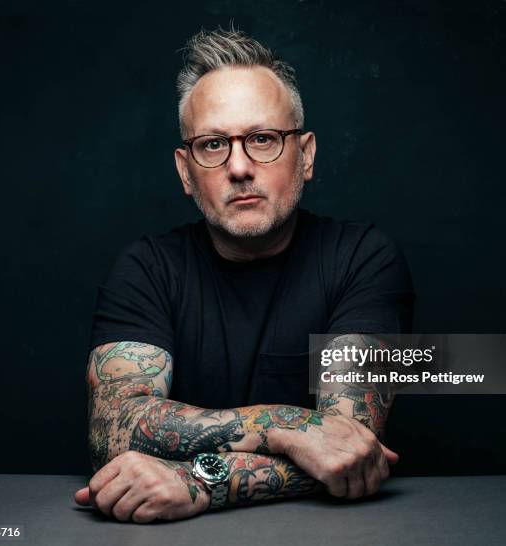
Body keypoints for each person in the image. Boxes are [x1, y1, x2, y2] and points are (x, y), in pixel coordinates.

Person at [74, 26, 415, 523]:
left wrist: (198, 480)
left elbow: (349, 449)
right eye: (213, 144)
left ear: (307, 155)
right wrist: (287, 426)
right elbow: (115, 429)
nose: (238, 166)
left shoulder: (363, 258)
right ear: (186, 172)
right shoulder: (145, 269)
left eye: (262, 139)